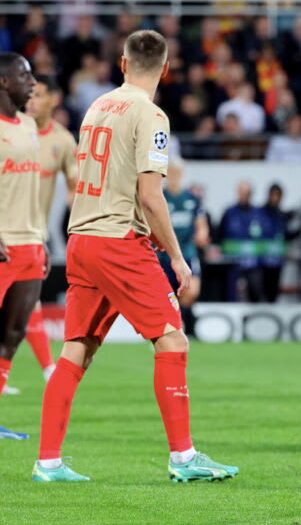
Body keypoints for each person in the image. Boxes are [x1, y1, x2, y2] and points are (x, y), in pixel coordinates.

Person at [32, 31, 237, 482]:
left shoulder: (97, 107)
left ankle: (47, 461)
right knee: (172, 339)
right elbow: (150, 194)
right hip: (119, 239)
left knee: (76, 348)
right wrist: (179, 259)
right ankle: (183, 457)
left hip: (82, 239)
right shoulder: (152, 115)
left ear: (122, 64)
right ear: (166, 70)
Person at [5, 74, 76, 394]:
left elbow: (76, 186)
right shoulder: (11, 128)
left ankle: (46, 368)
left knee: (18, 321)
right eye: (28, 91)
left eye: (38, 93)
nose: (32, 98)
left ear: (54, 100)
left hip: (33, 236)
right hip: (6, 237)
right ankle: (49, 367)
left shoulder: (58, 139)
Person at [0, 52, 41, 440]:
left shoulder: (29, 124)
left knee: (13, 333)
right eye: (23, 74)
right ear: (3, 83)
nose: (32, 81)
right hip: (2, 244)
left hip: (30, 242)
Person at [158, 159, 208, 336]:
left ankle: (180, 324)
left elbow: (202, 224)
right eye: (171, 172)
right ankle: (171, 330)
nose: (174, 176)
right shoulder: (160, 197)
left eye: (177, 173)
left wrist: (202, 233)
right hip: (164, 256)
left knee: (191, 291)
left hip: (187, 252)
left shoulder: (192, 199)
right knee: (165, 296)